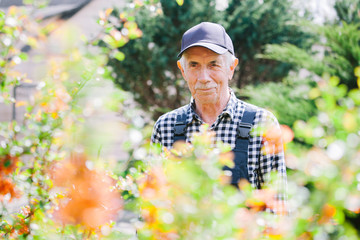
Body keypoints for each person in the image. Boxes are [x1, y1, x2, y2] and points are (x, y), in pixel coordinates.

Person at [151, 22, 287, 212]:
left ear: (231, 67)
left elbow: (276, 209)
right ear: (183, 71)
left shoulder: (261, 123)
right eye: (194, 65)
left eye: (213, 64)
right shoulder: (166, 127)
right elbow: (154, 207)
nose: (204, 77)